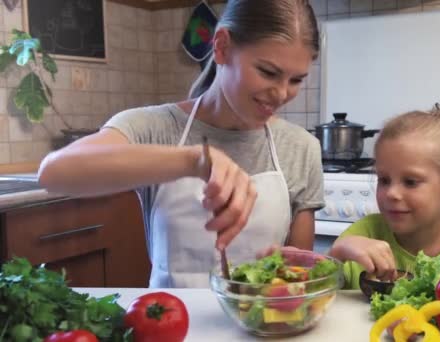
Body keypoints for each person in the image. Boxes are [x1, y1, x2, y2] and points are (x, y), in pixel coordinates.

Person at [37, 0, 324, 288]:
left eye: (296, 80)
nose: (281, 94)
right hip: (168, 326)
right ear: (222, 47)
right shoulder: (154, 128)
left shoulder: (301, 148)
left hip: (260, 330)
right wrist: (193, 161)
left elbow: (299, 280)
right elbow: (54, 173)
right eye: (268, 72)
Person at [328, 103, 440, 289]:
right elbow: (318, 301)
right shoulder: (364, 234)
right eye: (384, 180)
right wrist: (338, 253)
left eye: (410, 182)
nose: (392, 193)